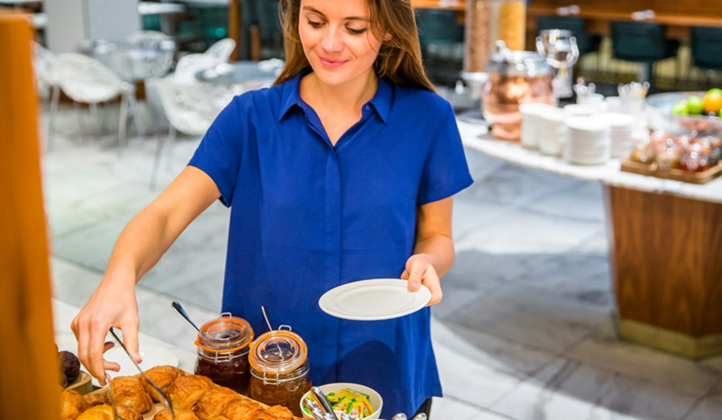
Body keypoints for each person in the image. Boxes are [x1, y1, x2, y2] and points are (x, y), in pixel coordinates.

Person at [71, 0, 472, 415]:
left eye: (355, 28)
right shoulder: (249, 119)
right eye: (315, 21)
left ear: (389, 29)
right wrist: (119, 276)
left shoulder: (428, 118)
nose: (330, 43)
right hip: (265, 378)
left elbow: (437, 236)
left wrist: (428, 262)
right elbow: (165, 213)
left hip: (381, 366)